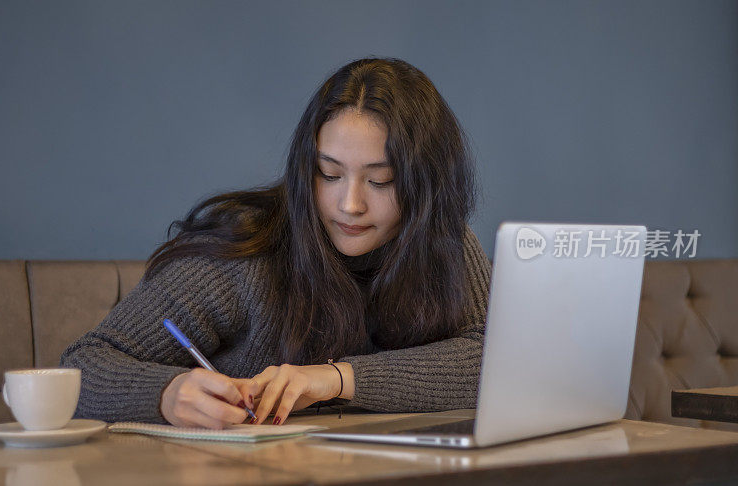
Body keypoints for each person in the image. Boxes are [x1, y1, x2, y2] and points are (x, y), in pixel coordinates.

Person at [60, 57, 491, 429]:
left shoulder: (441, 240)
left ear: (425, 186)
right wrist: (166, 394)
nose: (350, 204)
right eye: (329, 174)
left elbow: (491, 362)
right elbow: (83, 365)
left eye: (381, 180)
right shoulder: (246, 253)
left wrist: (334, 378)